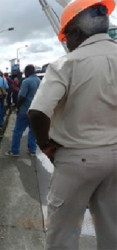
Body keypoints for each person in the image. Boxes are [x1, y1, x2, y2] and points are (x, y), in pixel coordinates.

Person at [28, 1, 117, 249]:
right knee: (112, 226)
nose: (66, 42)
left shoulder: (67, 64)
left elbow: (37, 112)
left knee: (63, 232)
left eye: (67, 36)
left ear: (76, 32)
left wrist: (46, 146)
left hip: (77, 160)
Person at [6, 64, 40, 157]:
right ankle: (32, 150)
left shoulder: (26, 81)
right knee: (33, 131)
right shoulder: (39, 81)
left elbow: (21, 97)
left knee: (18, 131)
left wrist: (18, 107)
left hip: (25, 110)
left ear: (27, 72)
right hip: (35, 110)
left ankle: (15, 151)